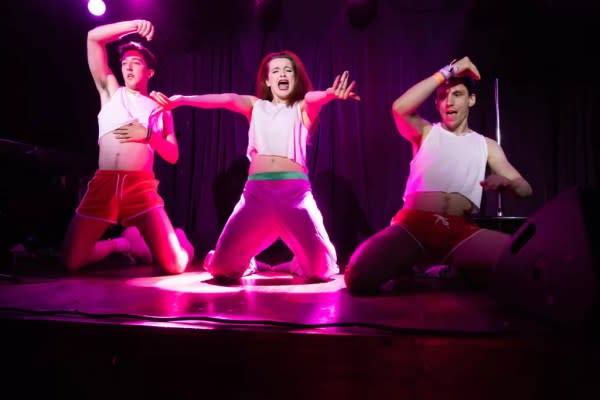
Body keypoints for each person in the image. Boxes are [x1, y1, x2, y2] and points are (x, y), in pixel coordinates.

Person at [150, 50, 359, 282]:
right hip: (256, 196)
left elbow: (314, 98)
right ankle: (248, 261)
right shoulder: (256, 106)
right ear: (268, 81)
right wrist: (182, 100)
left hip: (295, 196)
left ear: (295, 79)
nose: (282, 74)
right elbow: (227, 98)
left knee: (321, 270)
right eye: (276, 70)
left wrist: (330, 94)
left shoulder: (302, 108)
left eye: (288, 70)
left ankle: (298, 260)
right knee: (221, 269)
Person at [344, 56, 532, 294]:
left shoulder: (487, 145)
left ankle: (436, 271)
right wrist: (448, 71)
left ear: (472, 99)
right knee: (358, 276)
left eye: (457, 94)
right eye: (442, 96)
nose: (448, 102)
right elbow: (399, 108)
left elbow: (526, 189)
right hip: (413, 225)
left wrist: (508, 183)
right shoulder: (425, 132)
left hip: (460, 232)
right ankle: (433, 271)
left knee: (523, 260)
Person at [60, 19, 194, 274]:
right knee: (70, 261)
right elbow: (93, 37)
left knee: (175, 265)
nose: (128, 67)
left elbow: (173, 155)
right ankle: (121, 243)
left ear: (150, 72)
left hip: (140, 187)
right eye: (124, 63)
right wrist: (134, 25)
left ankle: (180, 238)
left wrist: (147, 135)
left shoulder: (159, 109)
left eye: (136, 62)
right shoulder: (111, 91)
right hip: (105, 185)